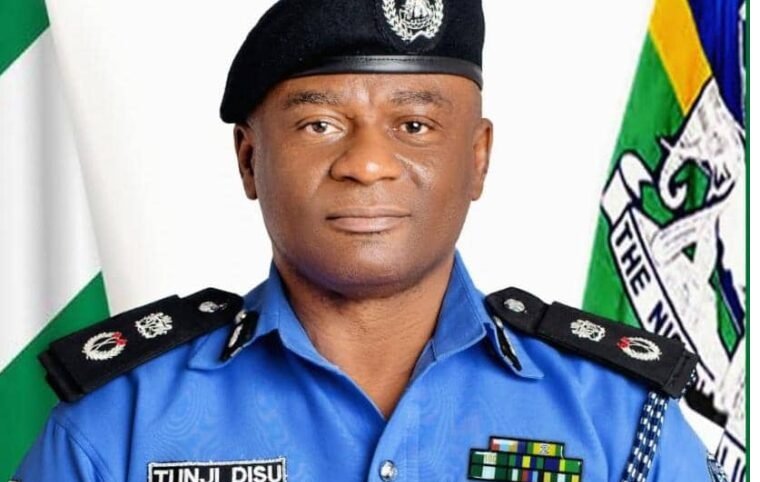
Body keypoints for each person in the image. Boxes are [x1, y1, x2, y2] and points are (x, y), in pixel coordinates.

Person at [13, 1, 726, 481]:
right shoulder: (118, 422)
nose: (367, 163)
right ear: (249, 160)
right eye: (319, 124)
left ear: (478, 158)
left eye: (414, 126)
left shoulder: (620, 418)